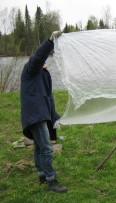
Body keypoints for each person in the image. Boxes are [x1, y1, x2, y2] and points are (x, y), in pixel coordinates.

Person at [20, 31, 68, 192]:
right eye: (44, 60)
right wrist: (50, 40)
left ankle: (42, 176)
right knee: (46, 148)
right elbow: (38, 57)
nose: (46, 62)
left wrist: (56, 118)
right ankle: (51, 181)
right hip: (35, 115)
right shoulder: (31, 69)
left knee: (39, 147)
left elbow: (47, 98)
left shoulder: (40, 73)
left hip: (39, 113)